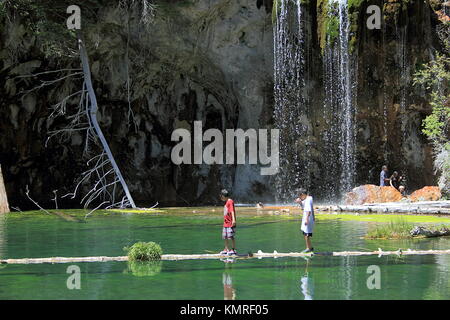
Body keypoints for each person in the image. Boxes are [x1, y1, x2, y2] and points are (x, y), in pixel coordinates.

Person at [294, 188, 315, 253]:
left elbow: (308, 210)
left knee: (306, 234)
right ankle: (310, 247)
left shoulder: (308, 200)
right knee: (306, 234)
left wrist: (306, 220)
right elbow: (305, 207)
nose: (300, 197)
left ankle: (308, 248)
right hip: (309, 218)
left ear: (303, 194)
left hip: (307, 219)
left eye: (300, 196)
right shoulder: (309, 198)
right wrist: (300, 202)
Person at [219, 189, 237, 256]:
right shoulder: (226, 202)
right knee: (225, 236)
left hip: (230, 223)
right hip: (226, 223)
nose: (221, 198)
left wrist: (234, 220)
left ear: (223, 196)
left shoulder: (230, 201)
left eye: (221, 196)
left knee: (231, 236)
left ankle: (233, 249)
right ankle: (226, 249)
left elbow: (232, 211)